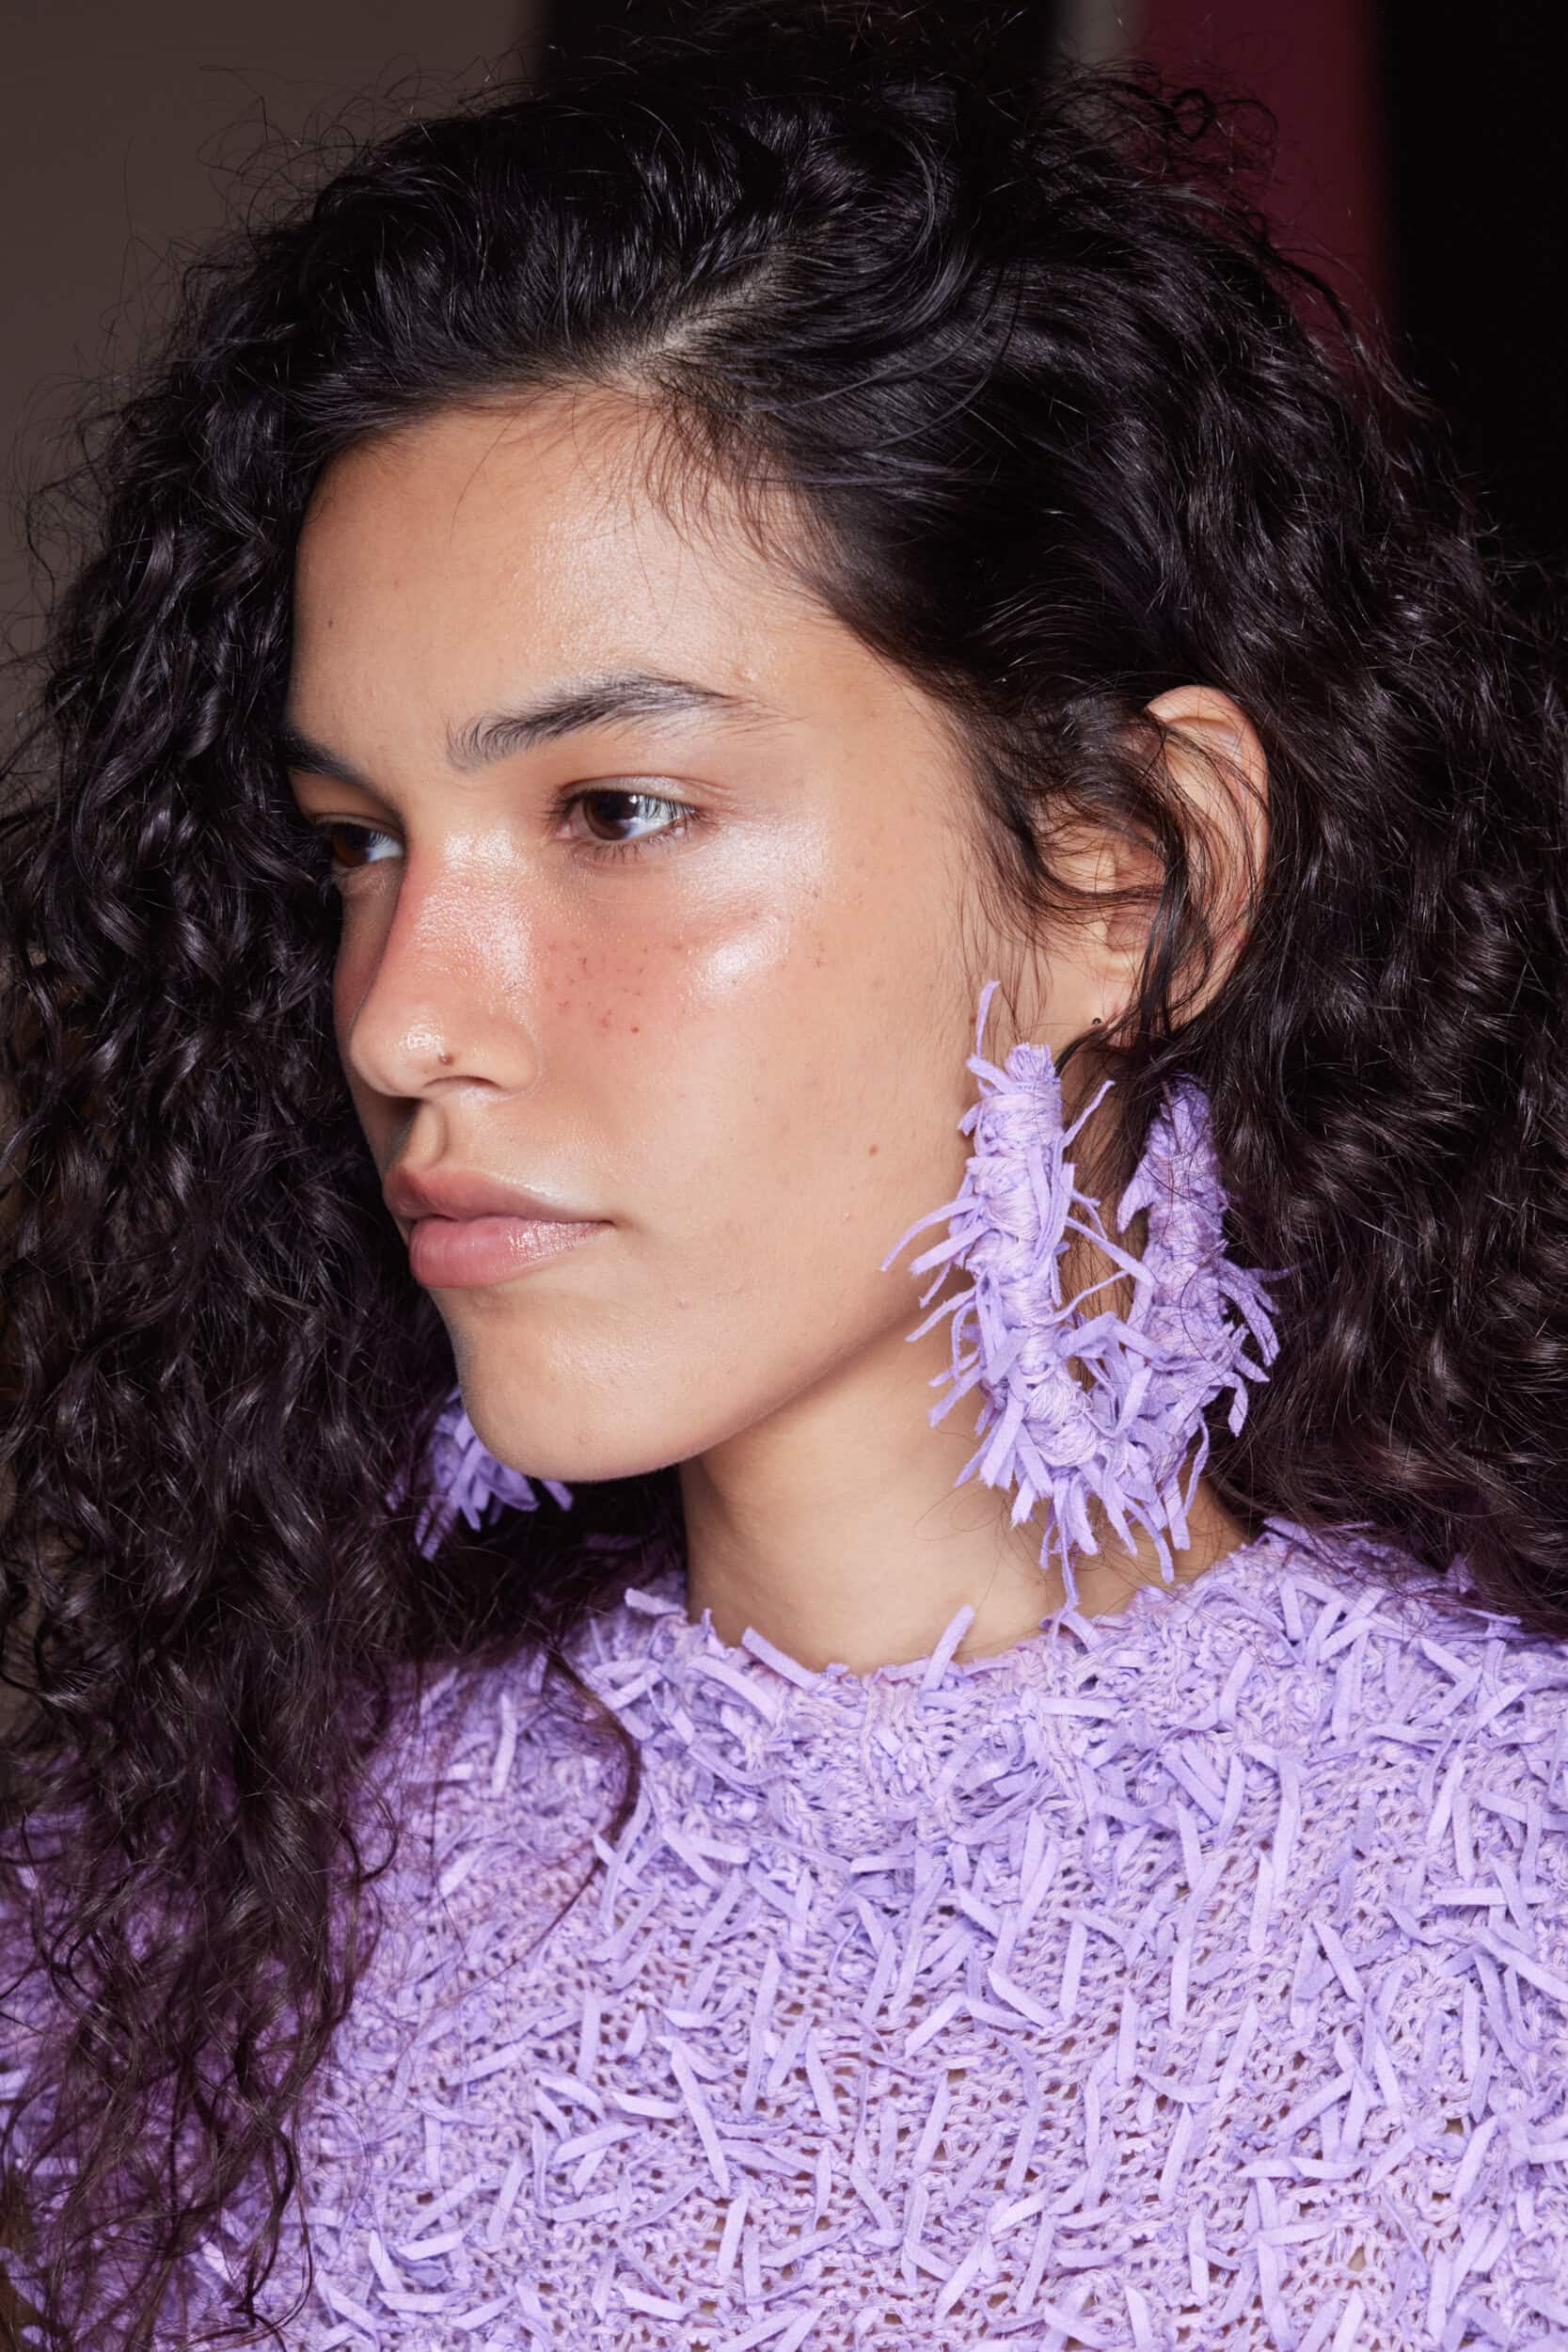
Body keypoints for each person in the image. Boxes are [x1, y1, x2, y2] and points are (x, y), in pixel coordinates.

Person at [3, 5, 1568, 2345]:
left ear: (1131, 872)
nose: (401, 1018)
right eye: (359, 842)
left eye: (615, 810)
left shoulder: (1517, 1917)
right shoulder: (171, 1948)